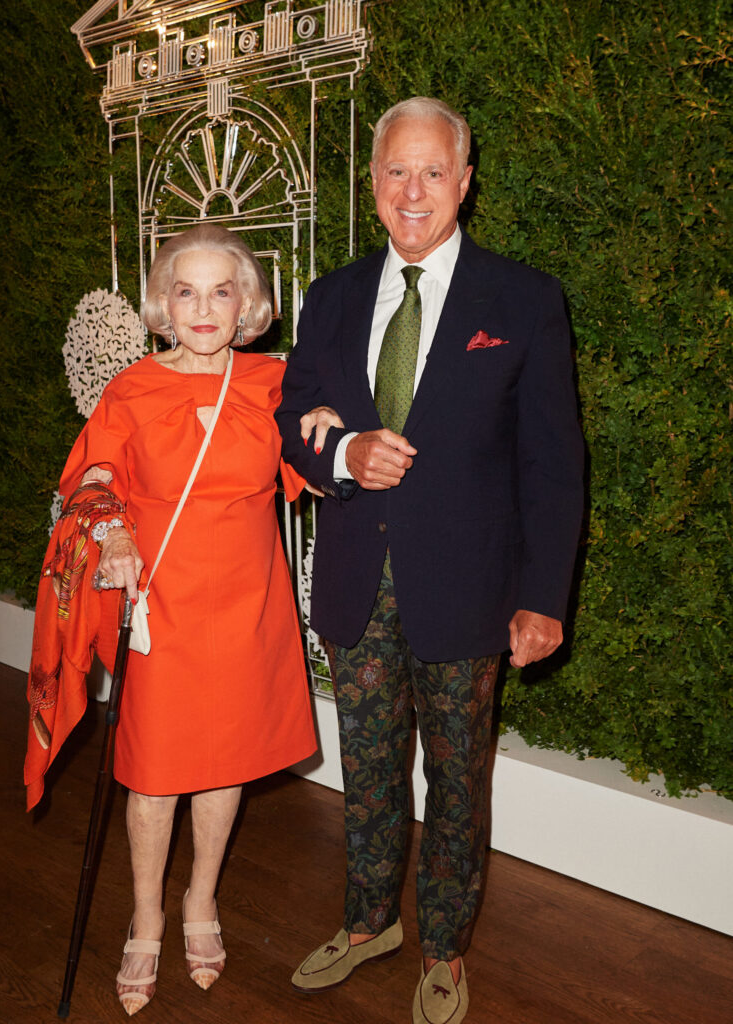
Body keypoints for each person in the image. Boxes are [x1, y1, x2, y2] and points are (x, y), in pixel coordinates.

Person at [275, 97, 584, 1024]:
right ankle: (369, 922)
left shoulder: (524, 299)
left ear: (465, 182)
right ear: (372, 186)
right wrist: (341, 456)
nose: (414, 191)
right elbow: (294, 421)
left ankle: (444, 948)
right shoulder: (329, 298)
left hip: (472, 593)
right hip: (355, 589)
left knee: (457, 783)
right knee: (367, 773)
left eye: (433, 172)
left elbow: (554, 463)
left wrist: (543, 597)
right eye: (395, 173)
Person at [27, 224, 316, 1016]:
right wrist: (113, 528)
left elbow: (322, 464)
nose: (203, 307)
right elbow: (88, 477)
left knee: (225, 766)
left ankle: (200, 902)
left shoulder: (274, 384)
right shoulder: (133, 389)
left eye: (222, 290)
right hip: (164, 608)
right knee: (154, 775)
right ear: (162, 302)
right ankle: (147, 916)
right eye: (185, 291)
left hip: (248, 605)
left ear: (247, 304)